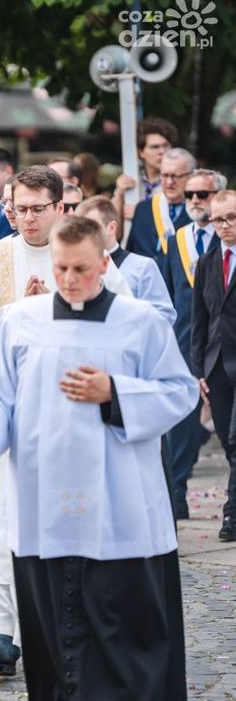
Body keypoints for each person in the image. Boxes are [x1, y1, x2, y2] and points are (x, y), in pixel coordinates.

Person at [0, 215, 195, 701]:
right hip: (46, 502)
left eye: (81, 269)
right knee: (60, 623)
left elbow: (179, 393)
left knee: (120, 625)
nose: (69, 279)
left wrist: (116, 393)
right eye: (62, 268)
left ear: (104, 264)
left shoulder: (140, 321)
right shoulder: (22, 321)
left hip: (120, 506)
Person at [0, 166, 133, 674]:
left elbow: (123, 323)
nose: (27, 218)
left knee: (63, 520)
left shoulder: (89, 258)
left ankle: (68, 628)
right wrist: (19, 310)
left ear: (62, 208)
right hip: (7, 411)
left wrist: (52, 307)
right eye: (19, 208)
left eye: (37, 208)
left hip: (69, 413)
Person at [160, 170, 226, 519]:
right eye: (189, 195)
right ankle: (176, 494)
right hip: (187, 341)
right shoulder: (177, 239)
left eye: (203, 194)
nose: (195, 202)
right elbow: (171, 294)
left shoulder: (227, 236)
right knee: (182, 425)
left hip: (226, 343)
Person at [192, 189, 236, 542]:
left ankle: (231, 516)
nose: (223, 225)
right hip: (217, 365)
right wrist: (198, 370)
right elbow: (200, 319)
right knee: (227, 440)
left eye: (231, 218)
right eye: (217, 219)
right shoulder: (207, 262)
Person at [76, 196, 175, 326]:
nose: (84, 233)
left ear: (111, 228)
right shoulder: (73, 268)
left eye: (91, 226)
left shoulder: (143, 266)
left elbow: (164, 317)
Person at [124, 147, 194, 259]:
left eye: (176, 176)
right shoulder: (143, 208)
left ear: (191, 176)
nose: (169, 182)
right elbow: (130, 253)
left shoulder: (198, 212)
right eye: (165, 175)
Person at [114, 117, 177, 217]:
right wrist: (119, 194)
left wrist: (142, 214)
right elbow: (114, 225)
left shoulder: (179, 179)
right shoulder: (133, 176)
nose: (162, 151)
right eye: (155, 147)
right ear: (140, 152)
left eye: (166, 146)